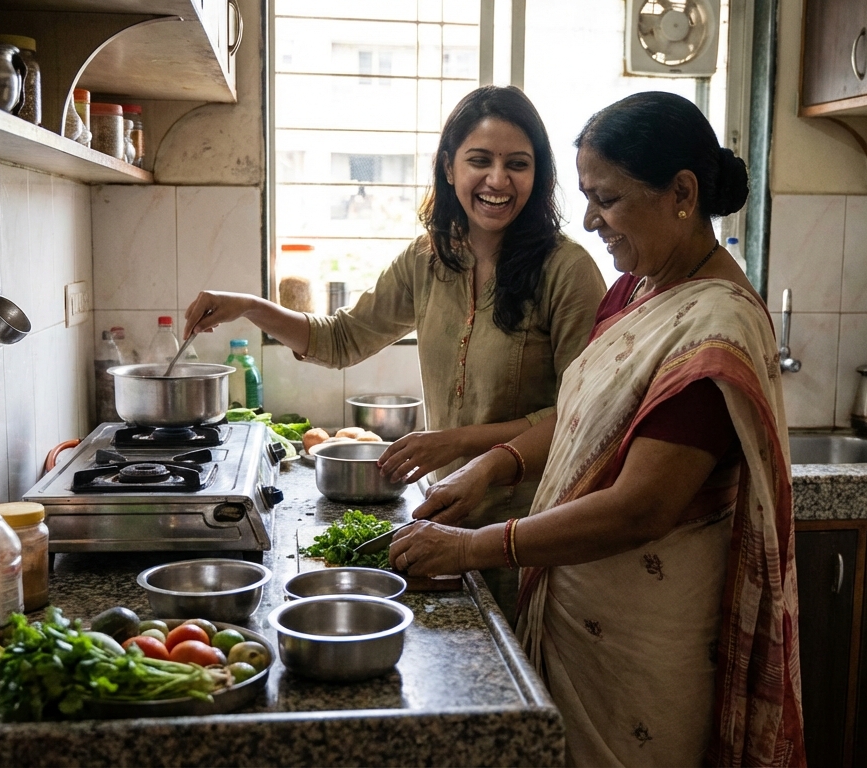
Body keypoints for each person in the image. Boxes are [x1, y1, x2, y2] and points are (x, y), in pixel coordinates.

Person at [387, 91, 805, 767]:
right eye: (585, 196)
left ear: (682, 193)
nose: (589, 219)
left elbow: (643, 507)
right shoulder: (637, 288)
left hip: (643, 640)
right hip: (577, 620)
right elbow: (583, 417)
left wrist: (470, 550)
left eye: (606, 199)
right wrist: (494, 465)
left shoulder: (711, 330)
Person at [181, 85, 608, 618]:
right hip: (446, 523)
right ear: (450, 168)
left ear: (537, 176)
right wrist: (248, 306)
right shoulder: (428, 259)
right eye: (480, 160)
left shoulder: (567, 271)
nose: (498, 179)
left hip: (530, 531)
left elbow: (580, 419)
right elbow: (341, 339)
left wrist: (454, 442)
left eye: (516, 164)